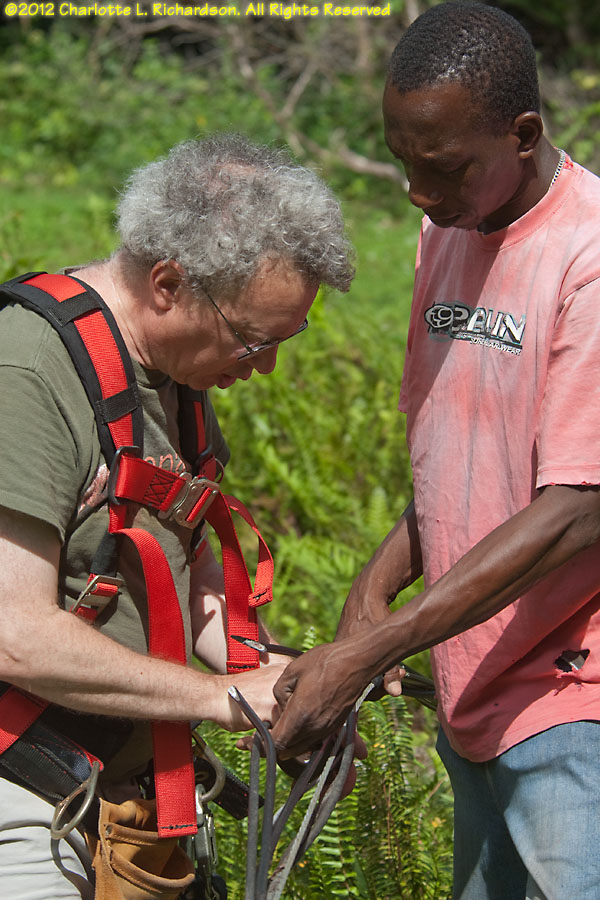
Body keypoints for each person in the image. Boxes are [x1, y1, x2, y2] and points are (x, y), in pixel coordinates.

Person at [270, 4, 600, 899]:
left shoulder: (588, 255)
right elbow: (457, 461)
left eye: (444, 167)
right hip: (470, 679)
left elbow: (577, 510)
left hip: (571, 701)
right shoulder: (446, 231)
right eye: (402, 160)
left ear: (522, 135)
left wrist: (377, 648)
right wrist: (370, 596)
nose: (418, 191)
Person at [0, 134, 354, 898]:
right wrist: (222, 701)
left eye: (284, 339)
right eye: (252, 339)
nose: (265, 367)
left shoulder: (173, 375)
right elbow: (15, 636)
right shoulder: (26, 370)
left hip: (122, 785)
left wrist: (289, 690)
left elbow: (188, 570)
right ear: (168, 283)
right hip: (19, 788)